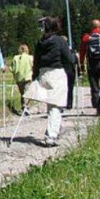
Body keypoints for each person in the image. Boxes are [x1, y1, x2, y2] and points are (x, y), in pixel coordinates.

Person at [25, 17, 74, 147]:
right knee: (56, 106)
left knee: (51, 105)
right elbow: (69, 59)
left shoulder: (40, 42)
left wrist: (35, 75)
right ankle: (51, 136)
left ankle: (55, 129)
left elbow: (36, 61)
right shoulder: (59, 41)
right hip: (56, 74)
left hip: (43, 73)